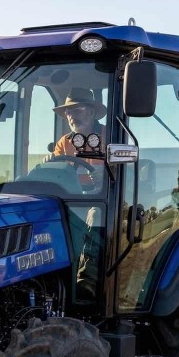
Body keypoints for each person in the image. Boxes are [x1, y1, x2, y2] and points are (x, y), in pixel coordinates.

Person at [44, 87, 108, 300]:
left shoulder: (110, 135)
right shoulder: (65, 142)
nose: (70, 116)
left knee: (96, 216)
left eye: (76, 109)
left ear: (90, 111)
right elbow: (56, 172)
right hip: (72, 198)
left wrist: (108, 173)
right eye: (68, 112)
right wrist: (47, 165)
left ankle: (86, 282)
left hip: (104, 200)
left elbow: (126, 165)